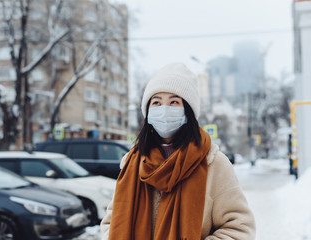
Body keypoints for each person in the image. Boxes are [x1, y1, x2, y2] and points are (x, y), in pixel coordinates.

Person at [100, 62, 256, 240]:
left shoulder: (214, 163)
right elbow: (111, 223)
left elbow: (239, 227)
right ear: (148, 113)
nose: (164, 109)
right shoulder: (132, 164)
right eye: (156, 102)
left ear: (188, 111)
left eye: (174, 102)